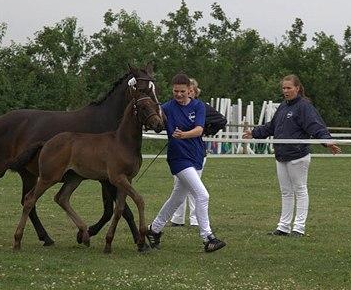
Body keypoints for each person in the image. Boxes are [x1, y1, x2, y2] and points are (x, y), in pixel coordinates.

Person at [243, 74, 341, 237]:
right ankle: (283, 227)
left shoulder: (304, 106)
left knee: (300, 190)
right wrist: (254, 133)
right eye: (284, 88)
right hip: (281, 155)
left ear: (297, 88)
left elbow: (315, 126)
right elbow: (271, 127)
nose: (286, 91)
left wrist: (327, 141)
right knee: (286, 192)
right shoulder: (283, 106)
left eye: (289, 88)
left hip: (298, 155)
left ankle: (299, 228)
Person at [146, 73, 226, 252]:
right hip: (178, 159)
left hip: (196, 156)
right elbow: (154, 121)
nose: (179, 94)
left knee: (177, 199)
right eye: (175, 91)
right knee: (202, 195)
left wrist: (183, 135)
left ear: (190, 91)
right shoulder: (166, 108)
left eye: (182, 91)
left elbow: (199, 130)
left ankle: (154, 229)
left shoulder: (198, 106)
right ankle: (208, 238)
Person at [170, 78, 227, 228]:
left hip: (196, 152)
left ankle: (195, 220)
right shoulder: (174, 107)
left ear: (193, 91)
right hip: (179, 153)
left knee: (196, 189)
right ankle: (177, 218)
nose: (183, 94)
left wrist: (204, 131)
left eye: (187, 91)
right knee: (178, 187)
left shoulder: (201, 107)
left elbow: (221, 120)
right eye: (179, 91)